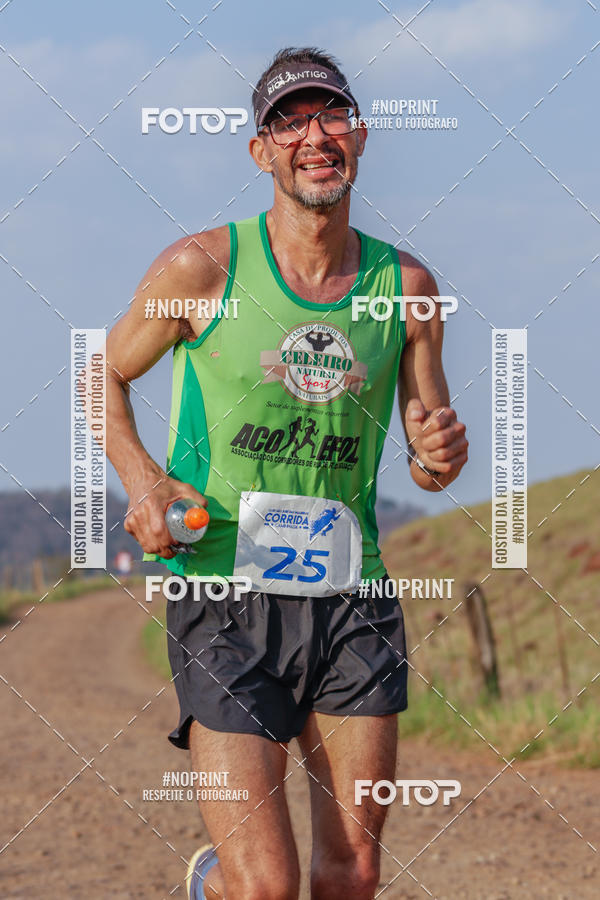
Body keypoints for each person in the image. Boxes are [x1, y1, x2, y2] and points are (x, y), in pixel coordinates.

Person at [105, 46, 468, 900]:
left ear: (361, 138)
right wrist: (145, 480)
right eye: (289, 122)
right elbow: (103, 371)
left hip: (353, 598)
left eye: (330, 116)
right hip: (224, 591)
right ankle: (215, 885)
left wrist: (438, 455)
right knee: (264, 885)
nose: (314, 136)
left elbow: (428, 456)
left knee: (353, 872)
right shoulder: (202, 268)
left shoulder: (406, 291)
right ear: (261, 151)